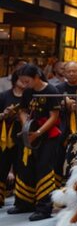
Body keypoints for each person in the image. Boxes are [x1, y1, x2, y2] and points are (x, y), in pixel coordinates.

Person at [9, 64, 62, 221]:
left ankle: (44, 208)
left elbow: (54, 117)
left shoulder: (51, 91)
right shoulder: (28, 92)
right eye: (22, 82)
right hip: (30, 134)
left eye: (27, 81)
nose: (25, 85)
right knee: (25, 166)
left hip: (48, 135)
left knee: (43, 168)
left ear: (37, 77)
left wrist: (38, 133)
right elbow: (23, 110)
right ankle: (24, 203)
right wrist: (26, 127)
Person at [0, 68, 28, 206]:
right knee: (2, 166)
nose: (24, 82)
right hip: (5, 137)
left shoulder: (30, 97)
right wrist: (4, 115)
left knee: (21, 167)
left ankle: (21, 200)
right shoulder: (4, 96)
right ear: (15, 80)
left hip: (23, 136)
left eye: (26, 79)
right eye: (21, 79)